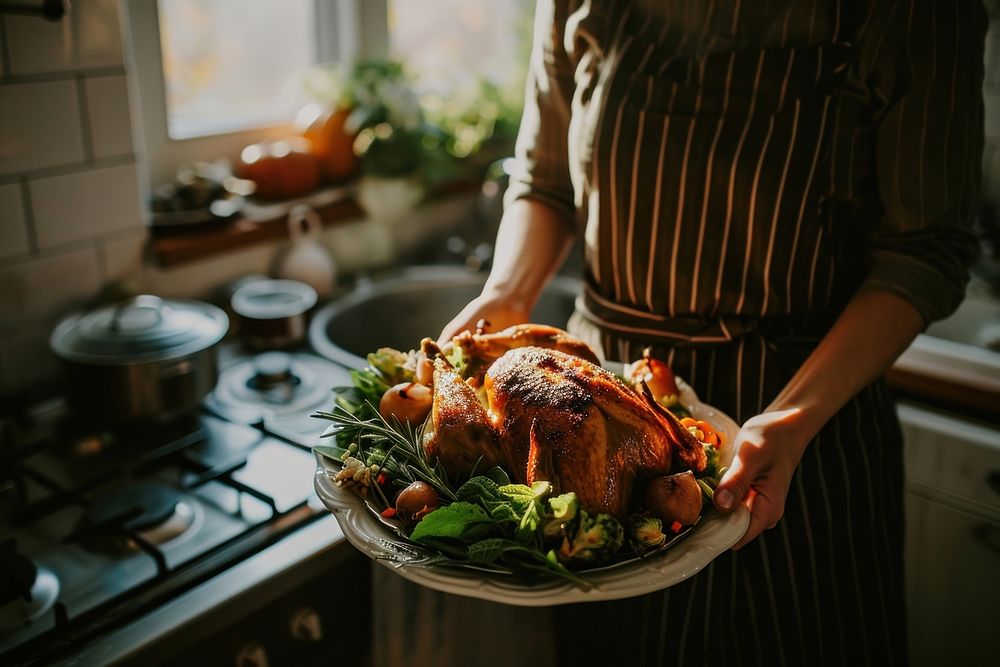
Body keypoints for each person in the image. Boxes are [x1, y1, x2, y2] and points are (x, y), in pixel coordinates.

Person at [433, 1, 988, 665]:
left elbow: (926, 249)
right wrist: (507, 292)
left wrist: (789, 418)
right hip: (588, 423)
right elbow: (545, 179)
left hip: (796, 432)